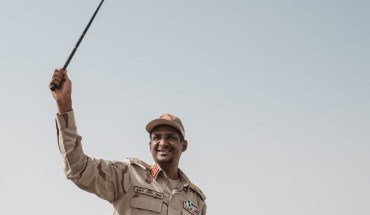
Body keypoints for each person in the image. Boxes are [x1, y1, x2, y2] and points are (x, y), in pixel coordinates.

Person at [49, 68, 207, 215]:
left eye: (171, 137)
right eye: (156, 138)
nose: (163, 143)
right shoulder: (127, 176)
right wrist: (64, 106)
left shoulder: (196, 200)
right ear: (150, 145)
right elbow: (78, 168)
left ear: (184, 145)